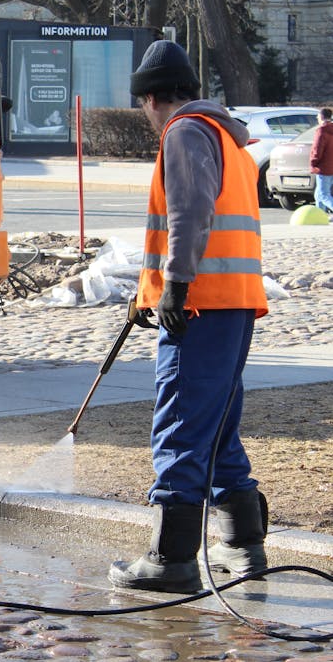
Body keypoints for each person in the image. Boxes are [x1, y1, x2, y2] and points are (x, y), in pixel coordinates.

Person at [108, 40, 269, 593]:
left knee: (178, 422)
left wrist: (174, 287)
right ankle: (242, 543)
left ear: (152, 99)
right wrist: (152, 291)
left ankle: (171, 557)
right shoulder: (228, 137)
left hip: (200, 304)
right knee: (218, 422)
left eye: (143, 108)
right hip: (234, 302)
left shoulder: (184, 132)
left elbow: (190, 212)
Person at [309, 107, 333, 220]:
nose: (317, 118)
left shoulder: (321, 131)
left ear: (321, 117)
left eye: (318, 116)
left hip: (324, 166)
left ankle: (320, 215)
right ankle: (320, 216)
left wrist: (313, 163)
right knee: (318, 193)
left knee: (323, 194)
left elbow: (317, 149)